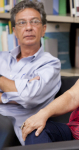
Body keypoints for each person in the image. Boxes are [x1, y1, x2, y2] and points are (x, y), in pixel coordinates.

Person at [0, 0, 61, 146]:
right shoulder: (2, 58)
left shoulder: (50, 64)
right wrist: (21, 88)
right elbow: (25, 93)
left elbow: (29, 97)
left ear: (43, 29)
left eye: (34, 22)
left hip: (15, 132)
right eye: (22, 23)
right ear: (14, 31)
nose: (28, 28)